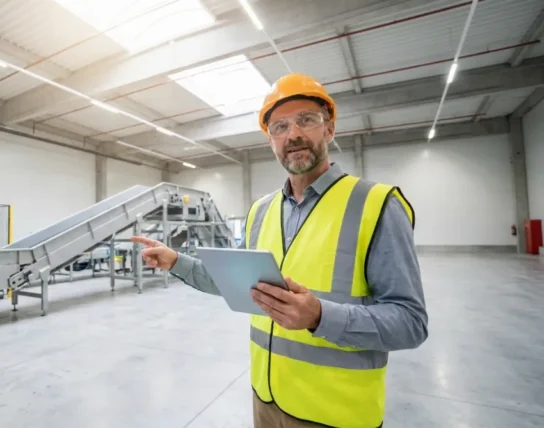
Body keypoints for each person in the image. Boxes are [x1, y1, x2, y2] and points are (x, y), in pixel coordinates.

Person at [130, 73, 428, 428]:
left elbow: (410, 323)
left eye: (307, 120)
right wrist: (175, 260)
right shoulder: (261, 211)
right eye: (280, 126)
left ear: (329, 129)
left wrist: (319, 316)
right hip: (266, 401)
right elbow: (236, 284)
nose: (293, 134)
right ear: (270, 140)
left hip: (335, 414)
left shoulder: (376, 205)